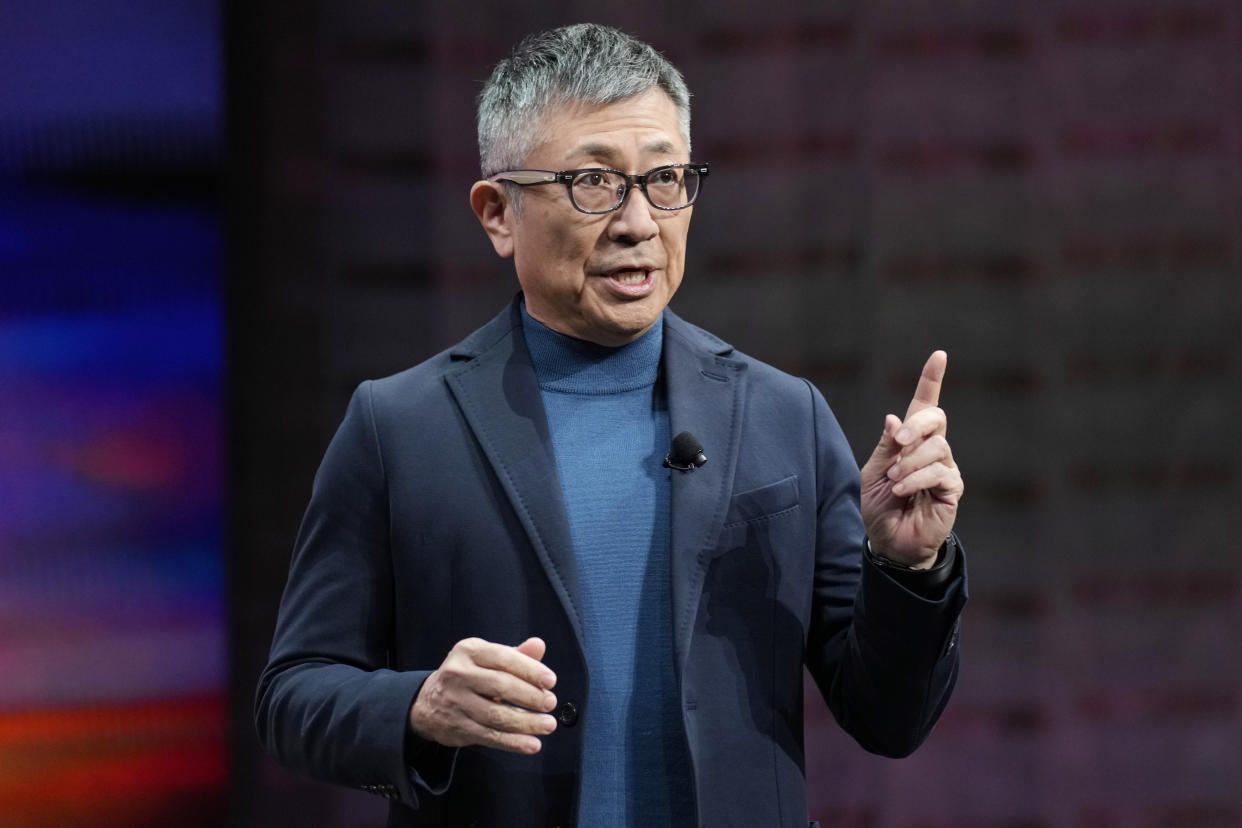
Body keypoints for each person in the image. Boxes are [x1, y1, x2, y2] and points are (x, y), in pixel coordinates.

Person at [256, 22, 967, 828]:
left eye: (665, 178)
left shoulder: (782, 415)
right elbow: (293, 697)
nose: (638, 222)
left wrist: (909, 568)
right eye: (594, 182)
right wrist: (417, 705)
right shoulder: (400, 426)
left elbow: (890, 719)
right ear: (497, 213)